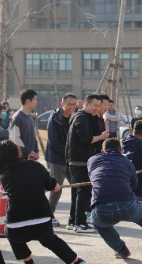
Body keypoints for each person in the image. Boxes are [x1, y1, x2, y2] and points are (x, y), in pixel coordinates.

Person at [0, 141, 85, 264]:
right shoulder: (35, 166)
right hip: (41, 219)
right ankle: (77, 261)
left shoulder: (3, 176)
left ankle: (28, 262)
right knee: (50, 240)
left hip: (16, 224)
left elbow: (18, 187)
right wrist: (52, 187)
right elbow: (53, 186)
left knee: (12, 237)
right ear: (18, 152)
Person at [89, 138, 142, 259]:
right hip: (127, 204)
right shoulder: (126, 161)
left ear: (102, 150)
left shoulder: (92, 160)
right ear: (120, 150)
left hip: (102, 207)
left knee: (98, 223)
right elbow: (134, 185)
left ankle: (121, 249)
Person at [65, 94, 108, 233]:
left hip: (83, 159)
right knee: (83, 191)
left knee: (77, 192)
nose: (97, 108)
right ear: (86, 104)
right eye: (95, 106)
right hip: (79, 160)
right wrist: (101, 137)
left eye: (98, 106)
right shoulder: (81, 117)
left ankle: (73, 221)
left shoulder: (90, 117)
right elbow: (85, 138)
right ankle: (80, 223)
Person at [46, 93, 77, 228]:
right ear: (62, 104)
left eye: (73, 104)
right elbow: (54, 142)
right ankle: (49, 216)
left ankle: (75, 216)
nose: (71, 107)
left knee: (76, 186)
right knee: (56, 187)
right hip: (57, 158)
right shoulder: (54, 118)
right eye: (69, 104)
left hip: (71, 158)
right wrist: (69, 152)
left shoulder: (75, 117)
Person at [9, 89, 39, 160]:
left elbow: (35, 136)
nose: (36, 102)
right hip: (19, 159)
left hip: (30, 158)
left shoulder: (31, 117)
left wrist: (35, 152)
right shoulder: (17, 117)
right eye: (35, 100)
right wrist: (29, 152)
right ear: (28, 101)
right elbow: (15, 139)